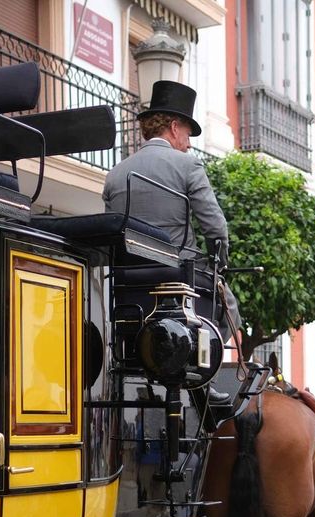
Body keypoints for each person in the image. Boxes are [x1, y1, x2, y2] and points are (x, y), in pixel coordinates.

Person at [102, 79, 238, 335]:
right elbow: (215, 226)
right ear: (174, 128)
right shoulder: (188, 165)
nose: (188, 144)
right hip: (178, 275)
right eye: (187, 135)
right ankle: (209, 363)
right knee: (229, 305)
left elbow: (114, 233)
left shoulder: (115, 174)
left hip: (129, 281)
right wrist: (219, 265)